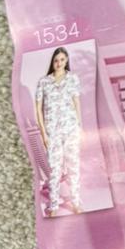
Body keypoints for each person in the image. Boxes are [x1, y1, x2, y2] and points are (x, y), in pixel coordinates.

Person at [35, 48, 83, 214]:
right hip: (52, 132)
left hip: (71, 129)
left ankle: (76, 202)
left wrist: (80, 127)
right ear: (53, 62)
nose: (59, 63)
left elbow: (76, 102)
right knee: (54, 170)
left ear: (66, 60)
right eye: (56, 60)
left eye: (62, 59)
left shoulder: (72, 79)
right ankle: (54, 205)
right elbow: (38, 109)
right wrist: (43, 133)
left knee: (73, 167)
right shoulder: (44, 82)